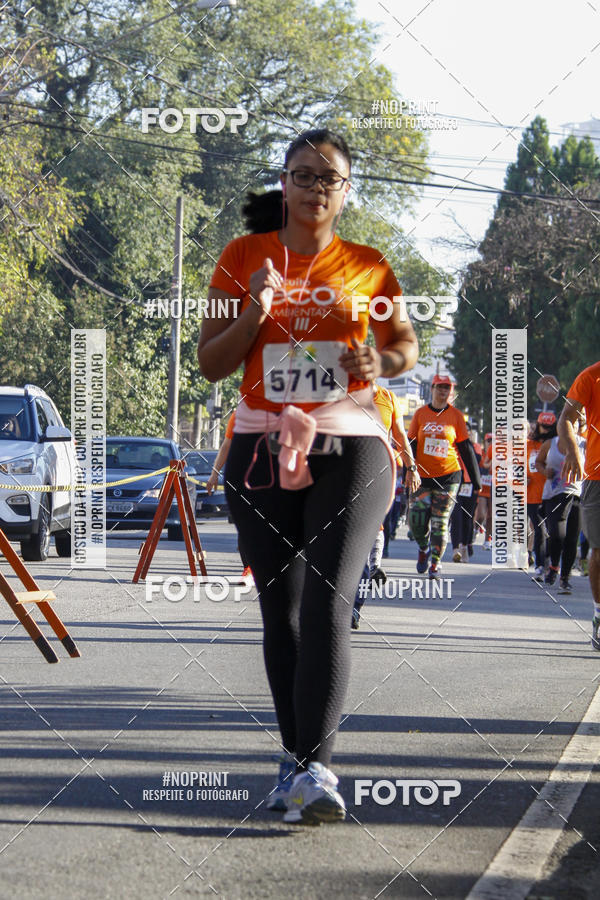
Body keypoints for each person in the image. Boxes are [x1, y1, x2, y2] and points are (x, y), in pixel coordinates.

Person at [198, 128, 418, 824]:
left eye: (330, 178)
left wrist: (380, 363)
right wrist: (255, 313)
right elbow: (211, 363)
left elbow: (404, 345)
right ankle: (295, 764)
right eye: (303, 175)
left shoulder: (369, 265)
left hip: (352, 441)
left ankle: (317, 771)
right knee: (282, 610)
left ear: (346, 192)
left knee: (328, 598)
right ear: (284, 183)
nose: (316, 188)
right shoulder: (242, 257)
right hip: (261, 446)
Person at [351, 383, 420, 629]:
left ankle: (354, 606)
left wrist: (411, 467)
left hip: (378, 472)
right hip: (343, 474)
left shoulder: (388, 398)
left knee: (366, 534)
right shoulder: (338, 392)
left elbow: (400, 436)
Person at [407, 375, 481, 577]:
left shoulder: (456, 416)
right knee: (416, 521)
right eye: (440, 387)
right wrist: (409, 471)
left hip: (449, 476)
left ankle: (435, 563)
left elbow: (465, 447)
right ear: (432, 388)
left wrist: (476, 480)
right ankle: (423, 548)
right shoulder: (420, 414)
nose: (443, 391)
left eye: (447, 388)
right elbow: (411, 444)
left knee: (440, 522)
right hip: (422, 477)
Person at [559, 362, 600, 648]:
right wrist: (573, 450)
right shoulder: (590, 377)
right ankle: (599, 613)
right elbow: (566, 418)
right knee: (599, 549)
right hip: (597, 476)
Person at [204, 412, 254, 584]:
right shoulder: (239, 415)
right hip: (245, 480)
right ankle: (248, 569)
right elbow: (226, 445)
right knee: (245, 526)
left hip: (276, 480)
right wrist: (214, 474)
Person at [535, 420, 584, 593]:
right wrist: (544, 471)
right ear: (560, 426)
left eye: (576, 424)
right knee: (556, 534)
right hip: (554, 495)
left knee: (572, 538)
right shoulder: (550, 444)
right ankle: (554, 566)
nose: (572, 427)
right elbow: (538, 462)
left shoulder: (584, 444)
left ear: (578, 428)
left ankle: (565, 578)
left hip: (576, 495)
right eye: (569, 423)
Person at [527, 412, 556, 581]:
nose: (546, 430)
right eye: (543, 426)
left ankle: (550, 563)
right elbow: (516, 467)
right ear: (538, 426)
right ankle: (540, 566)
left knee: (553, 531)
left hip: (553, 494)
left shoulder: (557, 444)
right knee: (540, 530)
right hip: (533, 494)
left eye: (549, 427)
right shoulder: (528, 445)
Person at [450, 420, 481, 562]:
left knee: (467, 518)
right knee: (456, 517)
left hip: (470, 486)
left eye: (467, 430)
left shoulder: (475, 446)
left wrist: (469, 445)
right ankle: (455, 549)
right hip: (455, 484)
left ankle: (464, 546)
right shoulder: (453, 445)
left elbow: (477, 460)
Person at [474, 433, 493, 549]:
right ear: (484, 442)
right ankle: (476, 528)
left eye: (493, 441)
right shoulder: (480, 454)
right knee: (481, 514)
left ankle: (487, 540)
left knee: (491, 516)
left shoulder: (499, 454)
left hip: (493, 489)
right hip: (482, 489)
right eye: (489, 440)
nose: (491, 443)